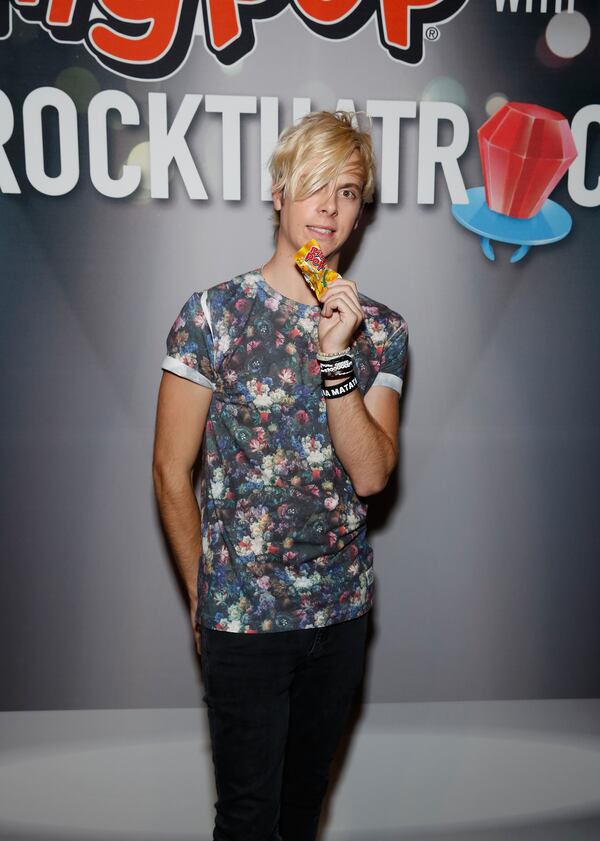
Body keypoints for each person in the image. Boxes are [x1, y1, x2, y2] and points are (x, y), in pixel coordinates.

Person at [152, 110, 408, 841]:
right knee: (245, 819)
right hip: (243, 619)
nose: (329, 207)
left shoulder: (381, 328)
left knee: (302, 816)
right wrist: (205, 598)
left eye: (350, 191)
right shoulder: (213, 315)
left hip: (342, 615)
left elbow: (371, 475)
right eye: (314, 186)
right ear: (278, 192)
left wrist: (337, 357)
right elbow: (172, 469)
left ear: (361, 212)